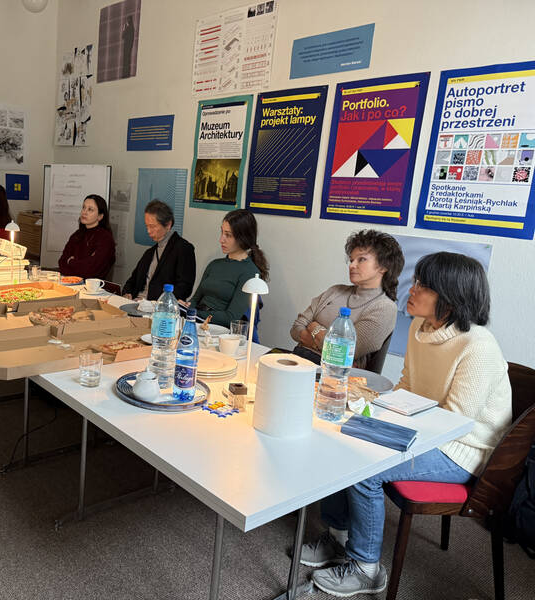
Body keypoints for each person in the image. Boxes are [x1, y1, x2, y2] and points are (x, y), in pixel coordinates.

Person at [303, 252, 512, 598]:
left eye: (422, 286)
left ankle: (366, 568)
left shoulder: (478, 347)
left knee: (366, 469)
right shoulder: (419, 327)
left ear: (451, 298)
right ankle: (338, 537)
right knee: (344, 437)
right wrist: (370, 414)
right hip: (427, 432)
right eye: (414, 282)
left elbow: (455, 423)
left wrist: (386, 433)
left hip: (464, 450)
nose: (410, 290)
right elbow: (407, 387)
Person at [290, 230, 404, 369]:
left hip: (333, 374)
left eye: (361, 259)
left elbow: (344, 352)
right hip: (298, 361)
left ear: (383, 266)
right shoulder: (335, 291)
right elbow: (296, 328)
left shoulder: (384, 307)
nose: (352, 265)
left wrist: (313, 327)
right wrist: (321, 342)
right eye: (351, 260)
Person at [183, 209, 268, 328]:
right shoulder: (214, 264)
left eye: (228, 235)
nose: (221, 239)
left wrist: (194, 313)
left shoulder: (250, 272)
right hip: (197, 322)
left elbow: (231, 318)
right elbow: (195, 299)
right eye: (222, 232)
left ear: (243, 237)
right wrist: (184, 307)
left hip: (218, 330)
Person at [122, 200, 196, 301]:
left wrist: (158, 303)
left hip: (158, 307)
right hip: (136, 302)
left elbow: (184, 288)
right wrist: (127, 293)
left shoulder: (183, 248)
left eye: (152, 226)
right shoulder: (149, 253)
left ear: (168, 225)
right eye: (147, 226)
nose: (148, 231)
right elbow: (132, 281)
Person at [58, 194, 115, 279]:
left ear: (100, 216)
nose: (84, 212)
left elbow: (91, 271)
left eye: (90, 209)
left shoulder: (106, 239)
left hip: (93, 286)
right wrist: (84, 263)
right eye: (83, 207)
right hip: (70, 282)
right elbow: (62, 263)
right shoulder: (77, 235)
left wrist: (71, 261)